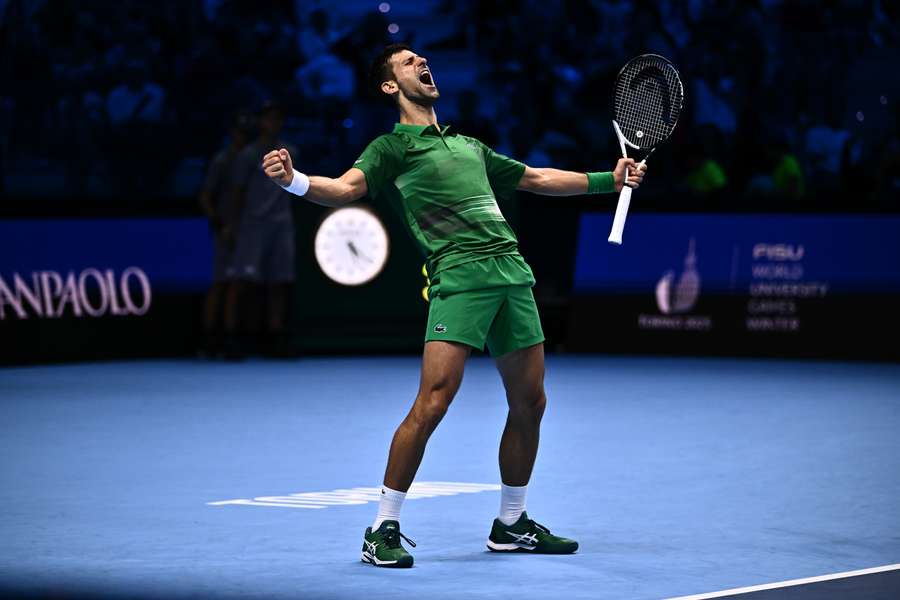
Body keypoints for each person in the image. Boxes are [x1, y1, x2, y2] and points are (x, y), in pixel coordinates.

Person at [263, 44, 645, 567]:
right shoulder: (390, 149)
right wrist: (294, 181)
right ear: (390, 86)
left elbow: (534, 177)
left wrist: (610, 179)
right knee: (434, 401)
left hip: (512, 273)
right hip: (460, 276)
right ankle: (382, 527)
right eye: (407, 62)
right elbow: (344, 188)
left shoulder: (469, 144)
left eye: (423, 58)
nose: (422, 63)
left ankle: (512, 523)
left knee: (531, 403)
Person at [225, 101, 298, 358]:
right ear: (261, 122)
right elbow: (237, 192)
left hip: (281, 225)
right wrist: (231, 225)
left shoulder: (291, 151)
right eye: (268, 118)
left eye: (277, 118)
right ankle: (231, 336)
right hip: (252, 225)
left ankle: (276, 336)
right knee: (242, 282)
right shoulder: (247, 155)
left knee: (279, 281)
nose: (273, 123)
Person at [197, 111, 254, 357]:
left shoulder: (251, 158)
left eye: (246, 133)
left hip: (245, 230)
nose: (242, 137)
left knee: (236, 285)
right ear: (232, 133)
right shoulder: (222, 160)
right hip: (226, 230)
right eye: (239, 132)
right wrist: (220, 224)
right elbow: (205, 196)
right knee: (221, 284)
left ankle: (230, 337)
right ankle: (211, 338)